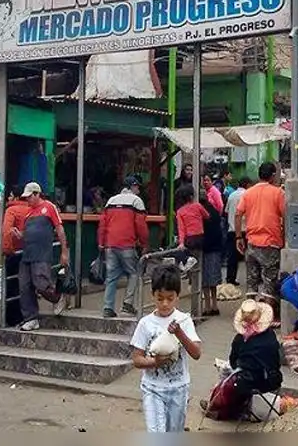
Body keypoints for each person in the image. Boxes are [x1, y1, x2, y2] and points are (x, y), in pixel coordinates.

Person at [130, 265, 203, 432]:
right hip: (152, 388)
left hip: (178, 388)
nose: (165, 303)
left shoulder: (183, 320)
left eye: (170, 298)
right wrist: (155, 362)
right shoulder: (145, 323)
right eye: (160, 298)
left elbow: (196, 353)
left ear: (177, 296)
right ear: (153, 295)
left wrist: (179, 333)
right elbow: (137, 359)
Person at [18, 182, 70, 331]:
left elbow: (59, 229)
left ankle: (57, 297)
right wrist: (19, 235)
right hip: (27, 254)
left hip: (42, 254)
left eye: (29, 197)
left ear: (37, 194)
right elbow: (26, 234)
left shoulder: (49, 207)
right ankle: (31, 318)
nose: (27, 200)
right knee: (24, 287)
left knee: (41, 283)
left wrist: (64, 251)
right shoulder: (28, 214)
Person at [235, 162, 286, 307]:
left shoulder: (248, 193)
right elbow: (285, 216)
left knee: (251, 283)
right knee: (269, 284)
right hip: (271, 243)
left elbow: (238, 214)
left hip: (251, 243)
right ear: (273, 175)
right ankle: (267, 315)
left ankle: (249, 313)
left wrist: (238, 237)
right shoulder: (278, 193)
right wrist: (284, 237)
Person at [98, 175, 149, 318]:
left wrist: (101, 242)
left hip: (110, 244)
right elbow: (141, 225)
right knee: (134, 273)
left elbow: (102, 224)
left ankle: (108, 307)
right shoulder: (136, 201)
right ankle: (127, 304)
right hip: (127, 244)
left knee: (111, 277)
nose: (139, 189)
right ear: (132, 186)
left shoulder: (111, 201)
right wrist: (144, 243)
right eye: (137, 186)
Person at [201, 190, 225, 316]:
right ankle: (215, 305)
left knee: (204, 278)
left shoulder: (200, 212)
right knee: (213, 279)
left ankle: (207, 306)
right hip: (215, 248)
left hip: (204, 248)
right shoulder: (214, 211)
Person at [224, 178, 251, 286]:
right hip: (245, 229)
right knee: (249, 256)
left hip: (232, 230)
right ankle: (251, 279)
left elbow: (226, 211)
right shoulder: (248, 195)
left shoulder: (231, 195)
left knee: (232, 257)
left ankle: (230, 278)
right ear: (247, 185)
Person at [1, 185, 31, 256]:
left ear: (16, 198)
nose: (8, 198)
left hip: (15, 251)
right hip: (31, 251)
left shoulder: (11, 210)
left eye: (11, 196)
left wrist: (7, 250)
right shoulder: (33, 210)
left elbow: (7, 231)